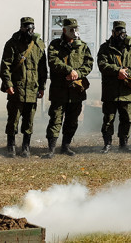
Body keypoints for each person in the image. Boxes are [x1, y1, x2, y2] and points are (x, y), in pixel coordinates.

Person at [43, 18, 93, 157]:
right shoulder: (55, 45)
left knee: (72, 120)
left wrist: (78, 73)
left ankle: (66, 146)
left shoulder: (82, 46)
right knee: (55, 119)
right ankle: (51, 148)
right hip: (59, 90)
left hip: (76, 91)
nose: (74, 32)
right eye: (71, 29)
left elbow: (89, 64)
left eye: (76, 29)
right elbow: (53, 61)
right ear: (64, 30)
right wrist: (69, 70)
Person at [0, 16, 47, 157]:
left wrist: (42, 87)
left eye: (31, 27)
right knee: (13, 118)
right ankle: (11, 146)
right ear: (21, 27)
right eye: (26, 27)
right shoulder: (12, 43)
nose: (29, 30)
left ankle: (26, 146)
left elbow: (43, 69)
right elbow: (5, 66)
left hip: (32, 88)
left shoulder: (38, 45)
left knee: (29, 120)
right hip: (17, 89)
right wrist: (8, 84)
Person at [97, 20, 131, 153]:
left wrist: (128, 72)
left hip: (126, 91)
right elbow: (102, 64)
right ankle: (107, 144)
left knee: (126, 119)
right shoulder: (105, 47)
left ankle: (124, 144)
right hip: (110, 90)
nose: (120, 34)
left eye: (122, 31)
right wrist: (117, 71)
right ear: (113, 32)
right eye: (117, 31)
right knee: (108, 119)